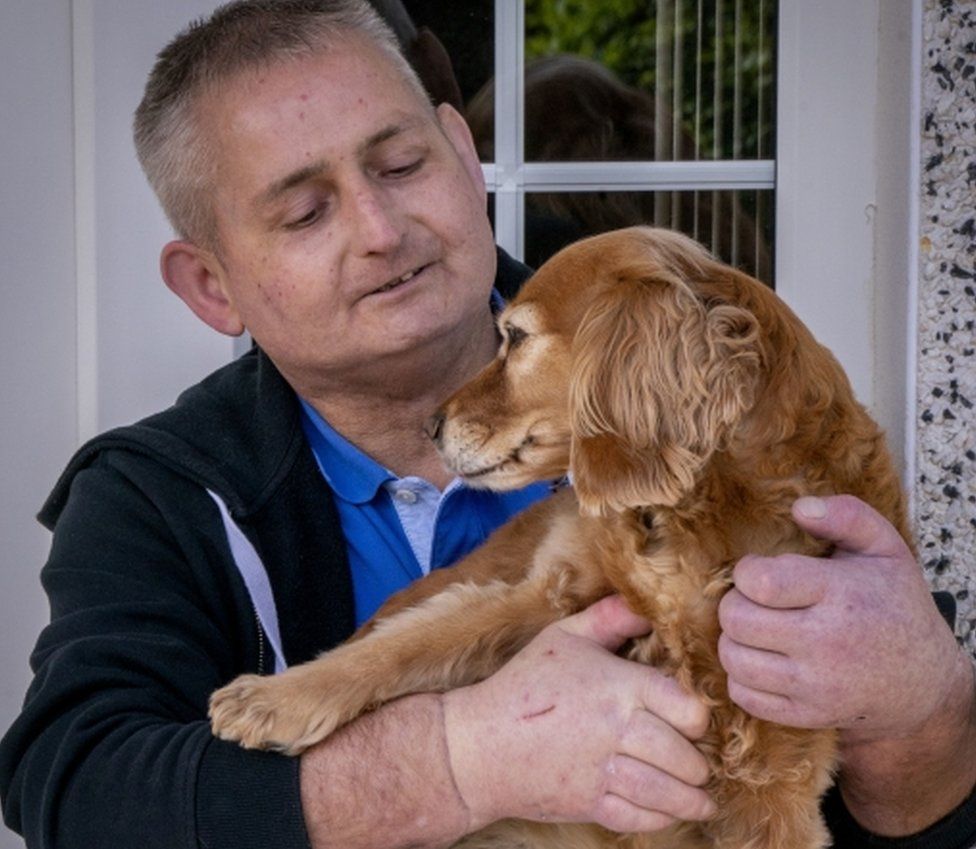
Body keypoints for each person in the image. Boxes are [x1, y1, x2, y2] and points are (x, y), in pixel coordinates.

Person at [0, 2, 973, 847]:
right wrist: (456, 763)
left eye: (401, 163)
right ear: (212, 286)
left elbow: (918, 816)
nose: (381, 230)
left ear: (465, 157)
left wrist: (922, 709)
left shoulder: (697, 389)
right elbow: (76, 790)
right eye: (304, 214)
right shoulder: (155, 492)